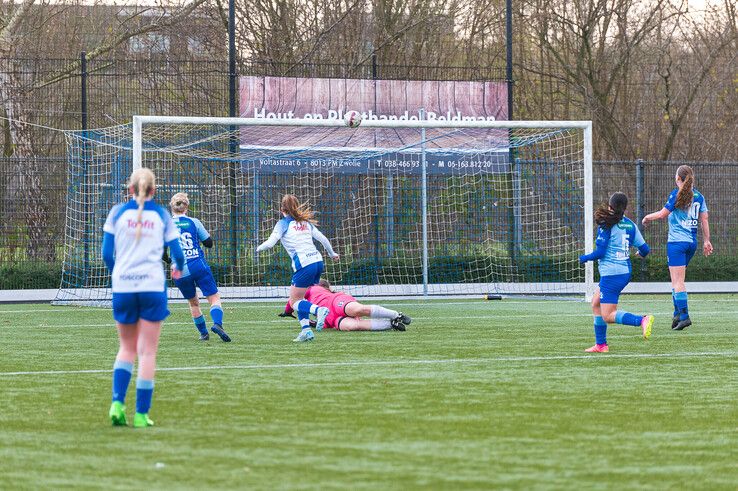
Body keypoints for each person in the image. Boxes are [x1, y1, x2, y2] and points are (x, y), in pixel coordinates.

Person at [103, 168, 184, 427]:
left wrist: (118, 274)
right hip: (151, 286)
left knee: (126, 348)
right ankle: (140, 415)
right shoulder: (161, 214)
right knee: (147, 352)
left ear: (130, 189)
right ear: (154, 190)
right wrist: (177, 267)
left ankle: (117, 403)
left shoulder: (117, 213)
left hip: (123, 287)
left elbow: (106, 254)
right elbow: (178, 253)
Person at [256, 194, 339, 342]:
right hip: (318, 261)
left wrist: (257, 249)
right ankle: (306, 331)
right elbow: (323, 239)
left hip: (305, 264)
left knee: (294, 302)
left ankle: (319, 310)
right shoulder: (306, 223)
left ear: (282, 209)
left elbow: (270, 243)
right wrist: (332, 254)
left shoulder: (283, 223)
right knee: (301, 299)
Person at [579, 192, 654, 353]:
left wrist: (584, 258)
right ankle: (601, 345)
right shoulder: (630, 225)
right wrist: (639, 254)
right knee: (595, 303)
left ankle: (641, 320)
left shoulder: (606, 224)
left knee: (608, 315)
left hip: (612, 275)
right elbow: (645, 250)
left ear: (610, 206)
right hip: (623, 272)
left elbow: (600, 253)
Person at [642, 165, 712, 330]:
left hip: (677, 243)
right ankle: (677, 314)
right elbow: (705, 219)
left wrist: (646, 217)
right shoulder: (699, 197)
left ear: (678, 179)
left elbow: (662, 214)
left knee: (678, 281)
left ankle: (685, 316)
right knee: (676, 281)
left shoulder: (677, 194)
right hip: (691, 244)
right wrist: (707, 241)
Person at [168, 192, 230, 342]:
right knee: (213, 297)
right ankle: (217, 324)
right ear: (186, 207)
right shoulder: (194, 222)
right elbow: (209, 243)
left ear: (172, 207)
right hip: (197, 264)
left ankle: (203, 334)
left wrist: (170, 260)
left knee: (193, 302)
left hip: (178, 270)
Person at [281, 279, 411, 331]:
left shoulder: (312, 288)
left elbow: (292, 301)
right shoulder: (309, 303)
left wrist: (287, 311)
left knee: (358, 310)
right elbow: (319, 323)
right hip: (332, 319)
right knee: (352, 326)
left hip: (336, 302)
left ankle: (396, 315)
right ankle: (391, 324)